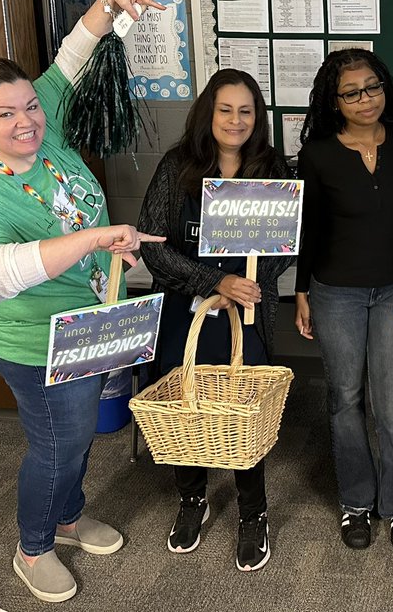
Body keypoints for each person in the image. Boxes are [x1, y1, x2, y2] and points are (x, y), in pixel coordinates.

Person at [0, 0, 166, 603]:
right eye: (6, 115)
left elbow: (74, 52)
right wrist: (95, 239)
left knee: (75, 435)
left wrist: (111, 3)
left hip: (83, 324)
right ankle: (34, 546)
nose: (26, 122)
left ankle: (67, 520)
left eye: (29, 109)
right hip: (30, 340)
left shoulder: (40, 123)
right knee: (59, 442)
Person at [138, 69, 293, 573]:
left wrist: (245, 285)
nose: (236, 120)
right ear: (208, 112)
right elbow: (154, 248)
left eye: (246, 111)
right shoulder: (176, 166)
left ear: (258, 117)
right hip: (186, 313)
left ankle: (254, 513)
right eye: (225, 109)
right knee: (184, 407)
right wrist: (213, 283)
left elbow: (287, 246)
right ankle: (193, 500)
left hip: (246, 313)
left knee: (244, 413)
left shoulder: (275, 171)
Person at [295, 49, 393, 552]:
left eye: (372, 87)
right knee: (345, 399)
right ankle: (356, 500)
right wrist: (302, 290)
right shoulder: (318, 152)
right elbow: (309, 228)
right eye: (351, 92)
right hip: (336, 293)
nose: (365, 99)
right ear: (334, 100)